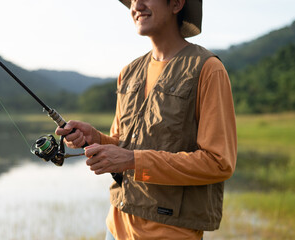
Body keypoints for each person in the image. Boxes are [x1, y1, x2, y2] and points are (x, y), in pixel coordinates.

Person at [55, 0, 237, 239]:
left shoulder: (208, 69)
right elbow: (122, 145)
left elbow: (218, 162)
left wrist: (134, 160)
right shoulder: (128, 73)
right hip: (115, 227)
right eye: (131, 0)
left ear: (176, 4)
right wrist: (95, 138)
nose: (136, 5)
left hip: (169, 232)